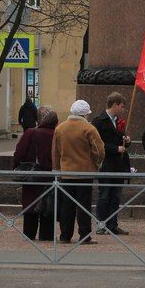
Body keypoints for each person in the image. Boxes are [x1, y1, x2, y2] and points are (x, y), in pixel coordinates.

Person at [52, 99, 105, 244]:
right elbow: (99, 151)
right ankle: (84, 235)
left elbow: (55, 152)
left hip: (66, 172)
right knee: (84, 206)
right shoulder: (89, 128)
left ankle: (65, 235)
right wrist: (98, 164)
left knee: (66, 206)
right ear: (86, 114)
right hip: (85, 173)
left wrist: (57, 168)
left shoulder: (60, 128)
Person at [12, 107, 58, 241]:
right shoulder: (57, 134)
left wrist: (16, 166)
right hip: (51, 174)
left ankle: (29, 234)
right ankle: (47, 235)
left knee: (31, 203)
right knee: (49, 204)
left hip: (32, 174)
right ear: (55, 122)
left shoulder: (31, 133)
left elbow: (19, 152)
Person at [93, 92, 131, 236]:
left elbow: (122, 141)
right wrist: (115, 148)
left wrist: (127, 141)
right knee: (104, 195)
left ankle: (113, 224)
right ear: (115, 105)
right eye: (122, 106)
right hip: (107, 164)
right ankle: (102, 224)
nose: (123, 109)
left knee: (115, 196)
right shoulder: (98, 121)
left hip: (119, 164)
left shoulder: (119, 121)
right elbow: (98, 144)